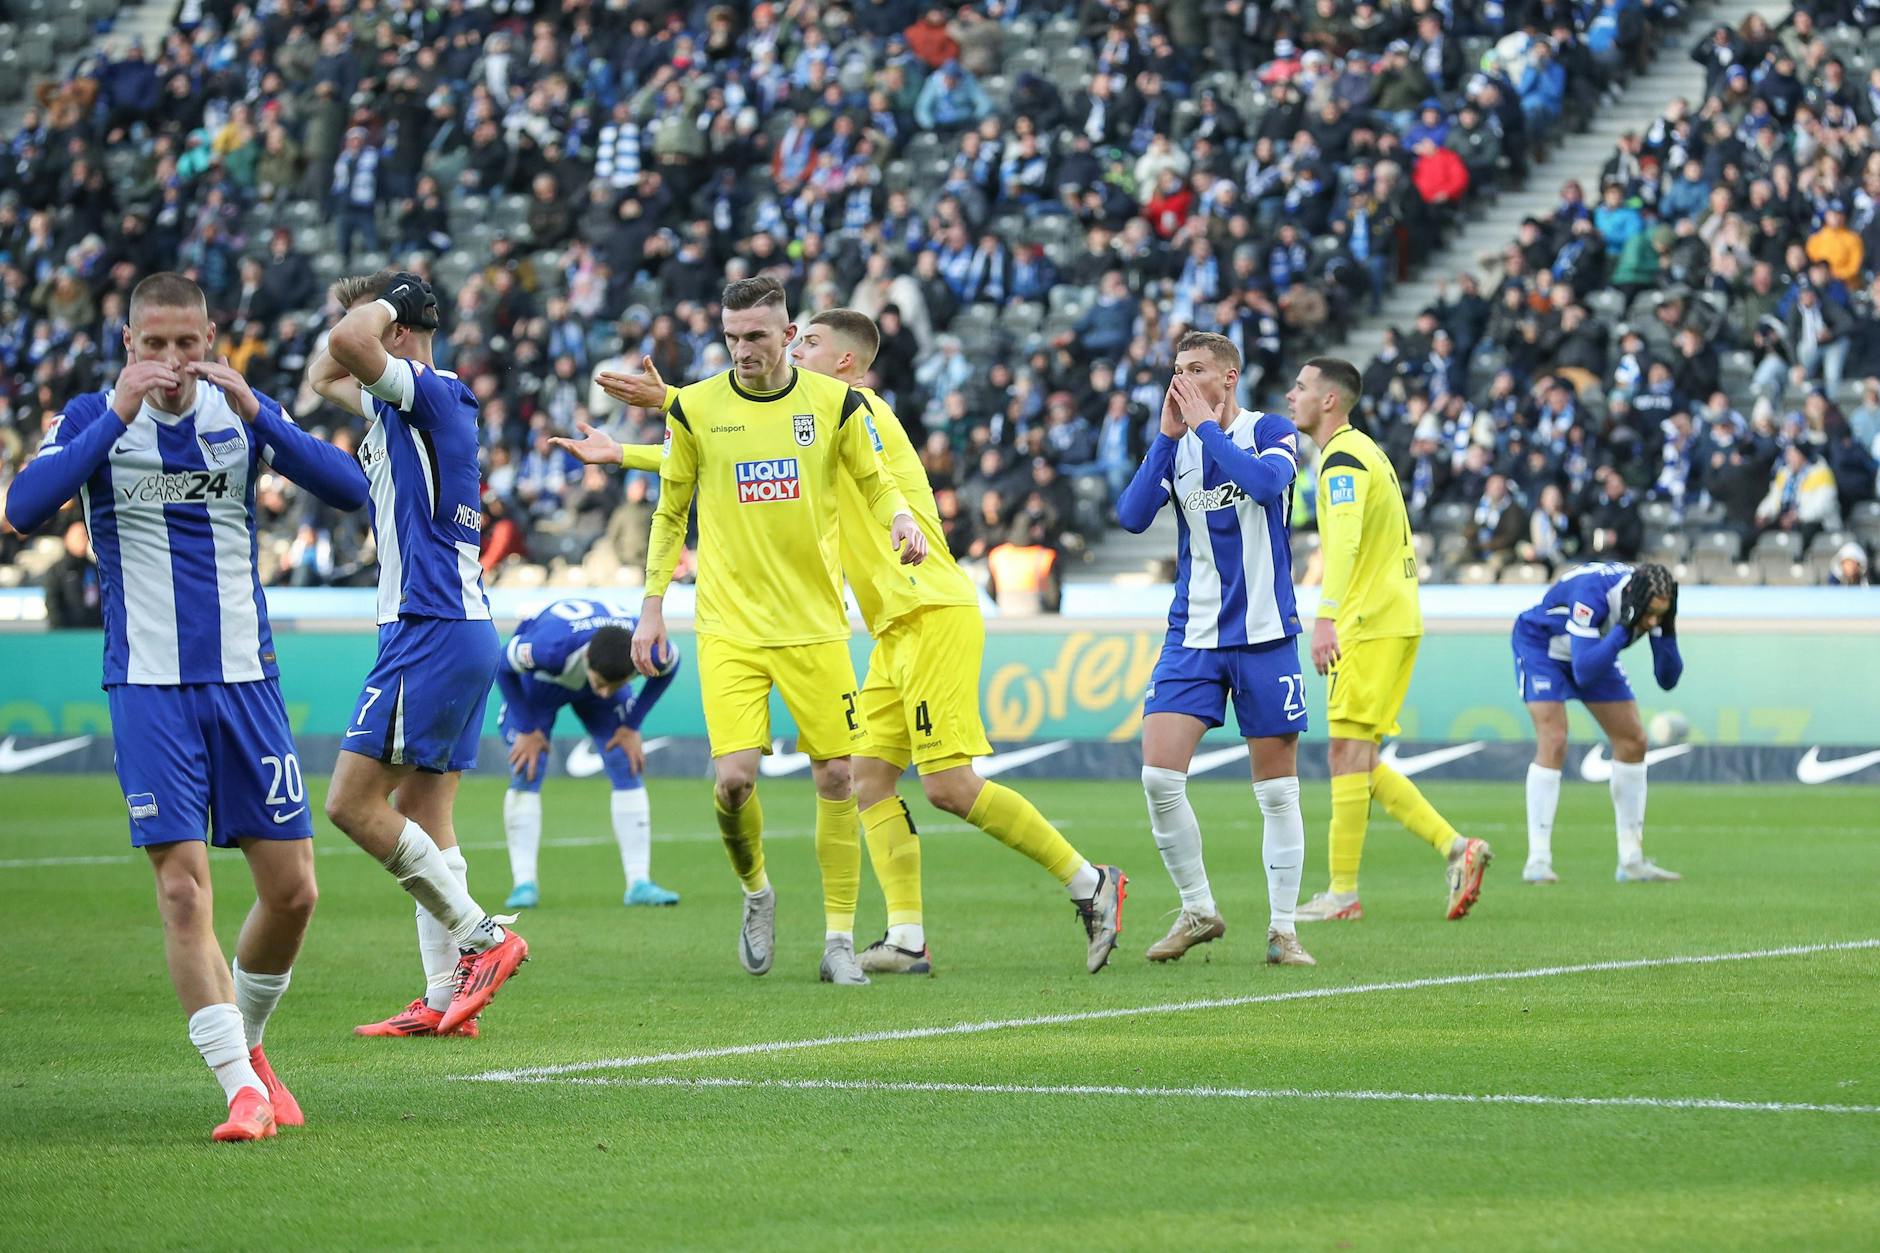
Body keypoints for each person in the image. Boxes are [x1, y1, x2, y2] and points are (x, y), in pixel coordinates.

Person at [2, 272, 368, 1141]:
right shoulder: (93, 418)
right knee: (182, 891)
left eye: (188, 344)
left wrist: (263, 415)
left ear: (212, 343)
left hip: (247, 682)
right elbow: (20, 509)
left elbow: (349, 490)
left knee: (294, 892)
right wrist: (118, 415)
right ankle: (240, 1086)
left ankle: (250, 1046)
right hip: (148, 686)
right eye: (155, 344)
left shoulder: (237, 415)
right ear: (129, 345)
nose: (172, 360)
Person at [553, 276, 927, 986]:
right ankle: (757, 891)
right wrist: (653, 603)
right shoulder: (697, 407)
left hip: (814, 624)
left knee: (838, 774)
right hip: (728, 625)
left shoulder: (835, 403)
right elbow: (671, 511)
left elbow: (876, 482)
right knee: (732, 783)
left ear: (787, 335)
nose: (742, 349)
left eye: (756, 335)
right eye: (731, 337)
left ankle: (839, 939)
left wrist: (900, 516)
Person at [306, 271, 528, 1037]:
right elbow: (322, 369)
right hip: (456, 625)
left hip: (429, 626)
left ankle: (483, 939)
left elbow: (343, 345)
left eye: (373, 317)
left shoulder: (428, 392)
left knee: (349, 804)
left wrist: (392, 301)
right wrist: (377, 311)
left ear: (398, 330)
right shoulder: (414, 401)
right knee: (424, 812)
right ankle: (443, 999)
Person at [1114, 331, 1315, 969]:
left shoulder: (1271, 429)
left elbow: (1262, 486)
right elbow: (1131, 515)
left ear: (1228, 378)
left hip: (1265, 635)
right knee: (1158, 777)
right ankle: (1198, 907)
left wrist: (1206, 430)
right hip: (1192, 636)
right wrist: (1170, 437)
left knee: (1277, 792)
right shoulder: (1181, 446)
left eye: (1196, 369)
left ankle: (1283, 929)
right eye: (1177, 369)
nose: (1182, 379)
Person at [1289, 358, 1492, 923]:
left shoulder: (1344, 459)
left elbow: (1347, 542)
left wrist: (1326, 615)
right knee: (1358, 757)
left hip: (1367, 620)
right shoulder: (1363, 450)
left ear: (1330, 400)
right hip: (1392, 616)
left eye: (1301, 387)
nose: (1291, 395)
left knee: (1345, 754)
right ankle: (1457, 848)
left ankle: (1342, 893)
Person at [496, 597, 681, 910]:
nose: (605, 692)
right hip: (541, 685)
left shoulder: (648, 649)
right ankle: (524, 883)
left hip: (596, 660)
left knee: (626, 759)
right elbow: (502, 663)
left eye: (615, 685)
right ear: (587, 662)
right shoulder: (551, 649)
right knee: (528, 764)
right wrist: (528, 728)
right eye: (601, 683)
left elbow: (671, 667)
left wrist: (633, 725)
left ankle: (639, 882)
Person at [1512, 562, 1684, 883]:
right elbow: (1584, 671)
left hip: (1591, 649)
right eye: (1649, 614)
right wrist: (1623, 629)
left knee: (1633, 741)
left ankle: (1631, 861)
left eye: (1659, 615)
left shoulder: (1652, 605)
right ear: (1634, 598)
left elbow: (1667, 679)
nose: (1651, 621)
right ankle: (1537, 861)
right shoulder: (1593, 592)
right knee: (1555, 739)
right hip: (1543, 646)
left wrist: (1667, 628)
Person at [42, 518, 102, 628]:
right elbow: (52, 603)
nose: (83, 540)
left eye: (85, 535)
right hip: (67, 636)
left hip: (94, 634)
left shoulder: (95, 568)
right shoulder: (57, 570)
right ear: (67, 538)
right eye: (78, 536)